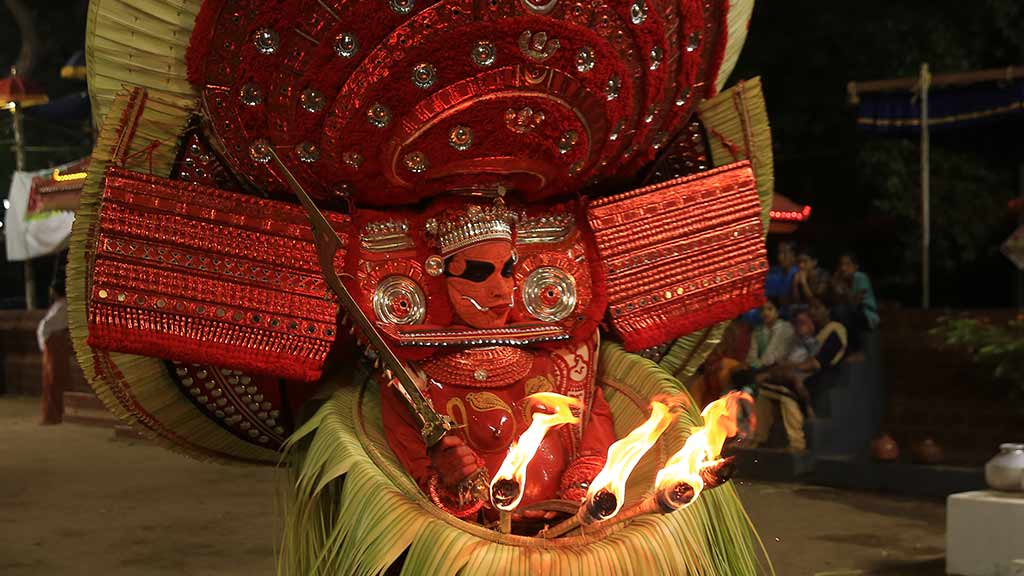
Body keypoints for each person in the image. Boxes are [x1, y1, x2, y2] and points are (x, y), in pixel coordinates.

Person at [752, 301, 848, 452]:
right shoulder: (805, 337)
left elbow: (816, 363)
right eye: (811, 309)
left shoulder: (833, 331)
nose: (814, 312)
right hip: (799, 376)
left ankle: (797, 443)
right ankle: (758, 438)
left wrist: (788, 369)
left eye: (817, 308)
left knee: (785, 392)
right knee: (764, 391)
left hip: (819, 379)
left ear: (827, 310)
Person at [37, 252, 69, 425]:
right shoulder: (59, 306)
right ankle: (55, 413)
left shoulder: (62, 306)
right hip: (54, 342)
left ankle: (54, 414)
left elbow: (47, 325)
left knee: (53, 379)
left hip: (54, 342)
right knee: (54, 378)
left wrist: (44, 342)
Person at [830, 252, 878, 351]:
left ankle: (855, 349)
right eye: (841, 265)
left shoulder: (861, 277)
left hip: (866, 313)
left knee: (841, 311)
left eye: (847, 264)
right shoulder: (842, 280)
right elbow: (837, 302)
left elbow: (855, 303)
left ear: (855, 266)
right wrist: (834, 284)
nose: (843, 268)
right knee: (835, 312)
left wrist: (843, 287)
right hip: (851, 314)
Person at [745, 299, 795, 371]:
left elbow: (777, 356)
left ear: (777, 312)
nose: (765, 313)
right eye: (762, 310)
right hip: (759, 367)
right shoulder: (758, 331)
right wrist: (753, 365)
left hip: (780, 368)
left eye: (769, 309)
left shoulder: (786, 328)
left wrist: (757, 365)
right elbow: (751, 355)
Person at [764, 241, 798, 309]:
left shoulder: (797, 273)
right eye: (779, 253)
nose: (780, 257)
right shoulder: (773, 271)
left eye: (784, 253)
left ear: (793, 255)